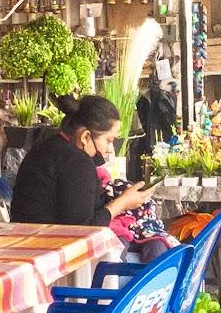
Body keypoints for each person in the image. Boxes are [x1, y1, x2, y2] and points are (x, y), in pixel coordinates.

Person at [11, 95, 154, 228]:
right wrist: (123, 202)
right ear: (86, 137)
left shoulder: (48, 145)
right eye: (108, 141)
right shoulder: (77, 162)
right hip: (47, 245)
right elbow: (84, 229)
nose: (110, 149)